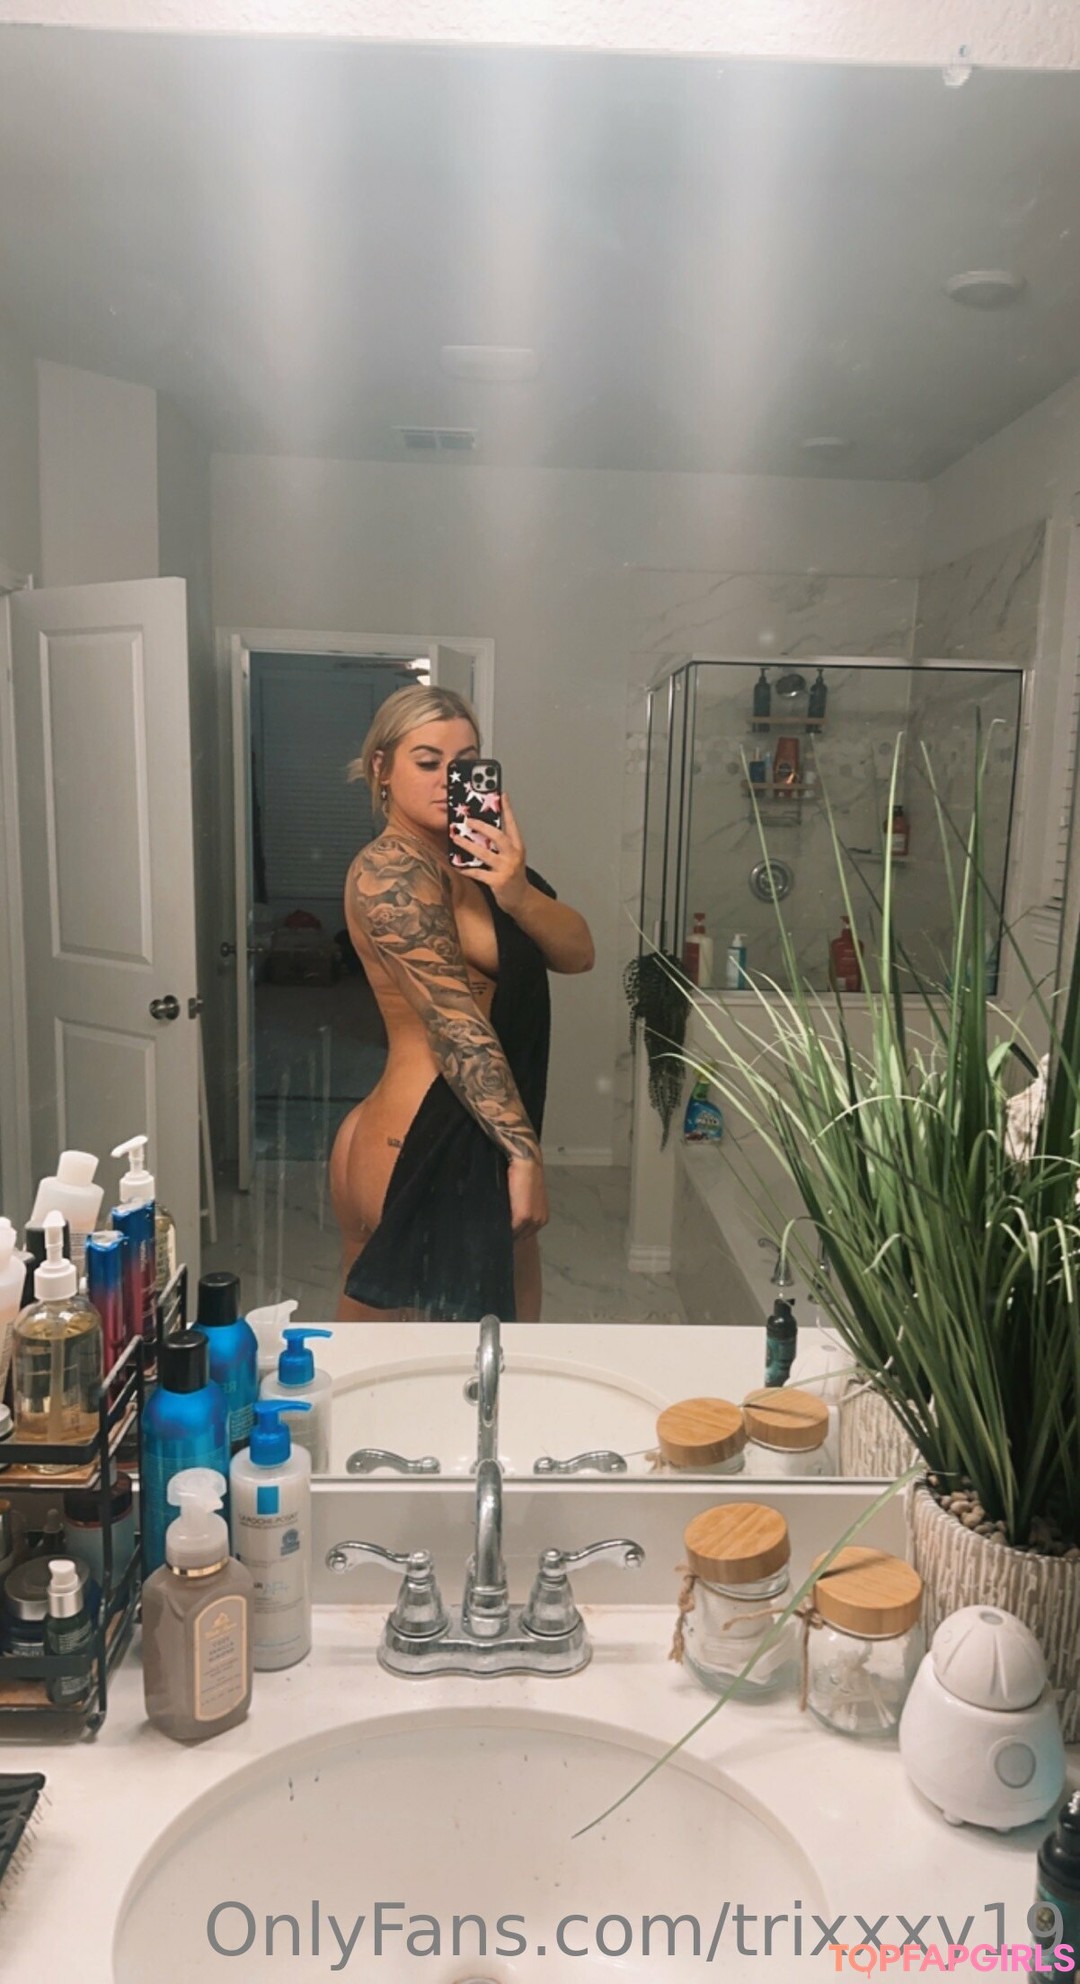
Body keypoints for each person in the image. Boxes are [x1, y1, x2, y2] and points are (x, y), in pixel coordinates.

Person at [329, 684, 594, 1321]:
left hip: (465, 1125)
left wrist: (516, 890)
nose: (448, 779)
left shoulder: (482, 863)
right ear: (381, 768)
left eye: (465, 762)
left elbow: (578, 952)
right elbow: (454, 1021)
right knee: (458, 1358)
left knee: (466, 1357)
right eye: (427, 762)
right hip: (426, 1133)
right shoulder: (392, 870)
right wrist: (522, 1153)